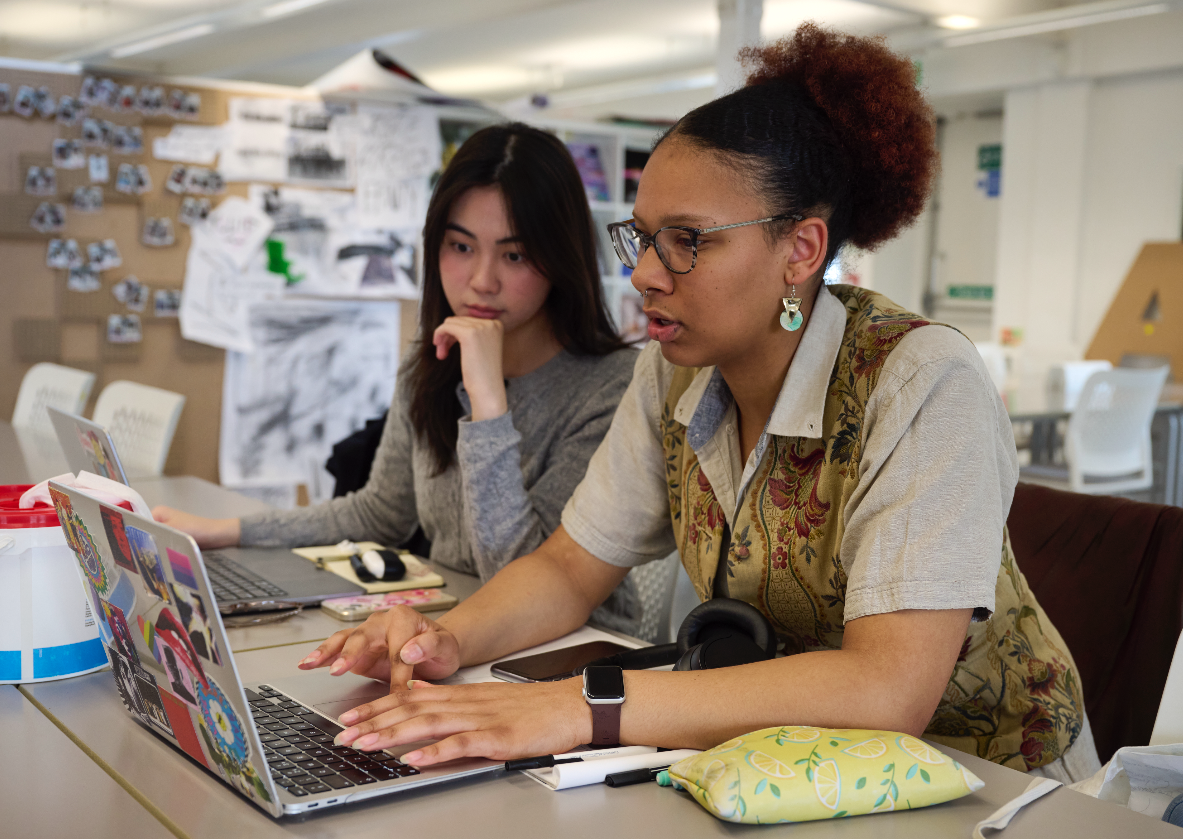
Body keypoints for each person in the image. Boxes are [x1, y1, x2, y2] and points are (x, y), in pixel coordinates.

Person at [297, 25, 1100, 783]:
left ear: (801, 249)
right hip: (785, 766)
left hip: (987, 782)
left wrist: (579, 707)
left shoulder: (919, 379)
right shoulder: (673, 371)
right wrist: (445, 637)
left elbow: (885, 689)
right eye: (642, 237)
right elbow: (570, 566)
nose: (646, 272)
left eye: (686, 239)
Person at [153, 123, 641, 631]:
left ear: (560, 260)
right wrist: (226, 530)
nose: (481, 280)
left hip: (575, 653)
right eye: (461, 246)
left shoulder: (611, 387)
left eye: (514, 255)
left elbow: (520, 576)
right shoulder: (430, 361)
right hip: (455, 630)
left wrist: (487, 404)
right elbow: (379, 513)